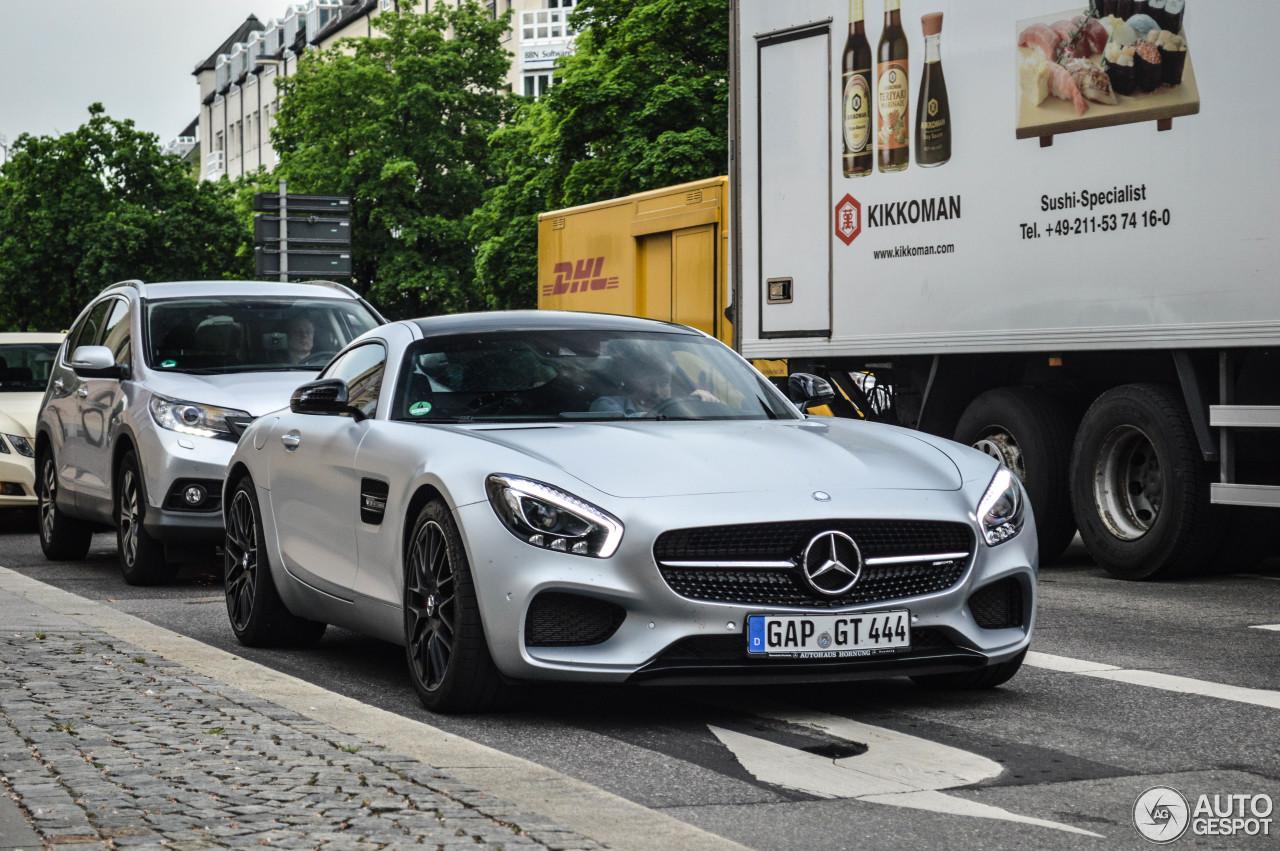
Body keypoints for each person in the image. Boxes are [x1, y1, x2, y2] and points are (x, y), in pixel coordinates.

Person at [590, 343, 719, 416]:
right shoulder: (606, 405)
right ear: (630, 384)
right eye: (648, 383)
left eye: (664, 383)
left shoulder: (679, 406)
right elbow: (621, 423)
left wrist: (703, 404)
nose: (656, 392)